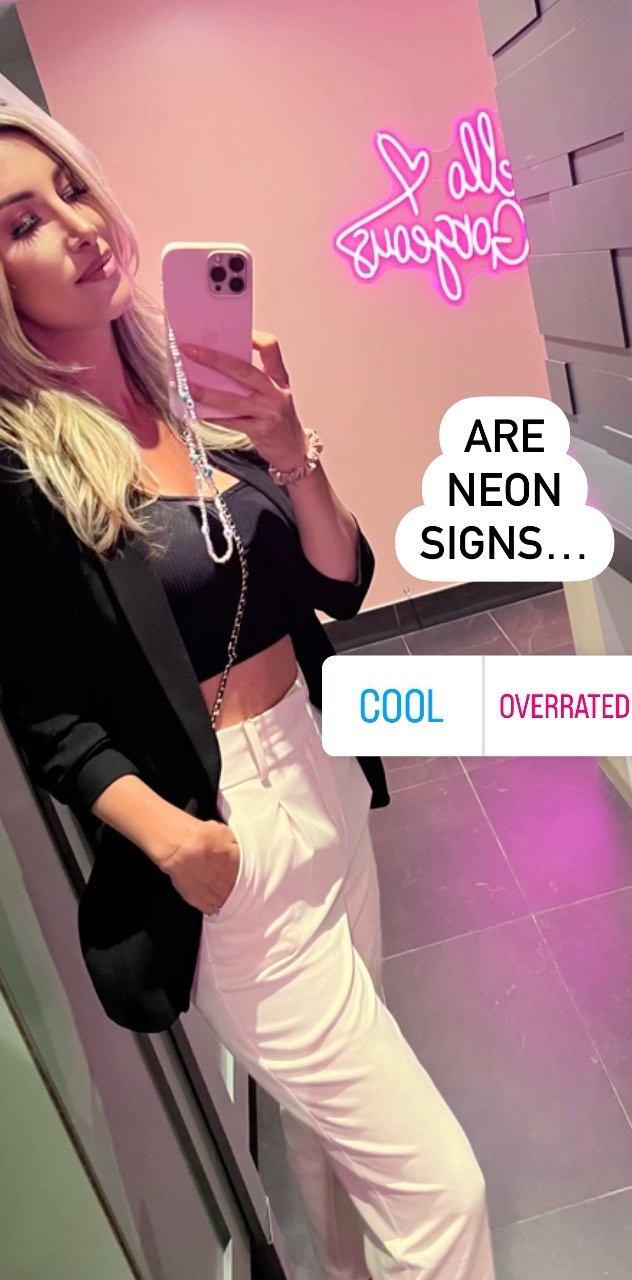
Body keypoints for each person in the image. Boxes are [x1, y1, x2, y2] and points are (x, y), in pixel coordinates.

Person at [0, 101, 496, 1280]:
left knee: (329, 1134)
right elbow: (44, 711)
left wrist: (289, 444)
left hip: (321, 770)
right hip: (226, 833)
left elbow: (337, 580)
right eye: (21, 222)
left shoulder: (191, 389)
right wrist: (178, 841)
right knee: (443, 1193)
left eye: (72, 188)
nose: (76, 225)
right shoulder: (21, 470)